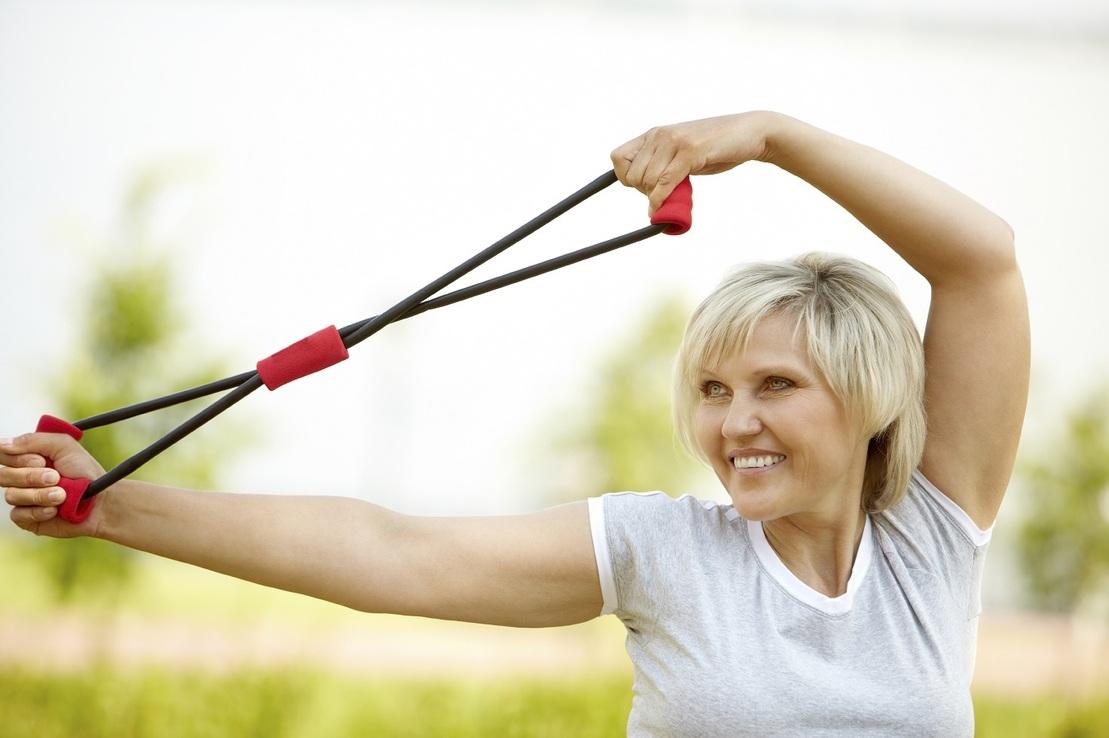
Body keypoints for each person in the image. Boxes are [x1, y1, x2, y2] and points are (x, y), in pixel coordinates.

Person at [2, 110, 1029, 736]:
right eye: (711, 391)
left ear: (868, 399)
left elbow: (979, 260)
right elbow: (388, 550)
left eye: (773, 386)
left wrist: (767, 138)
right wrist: (113, 510)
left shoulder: (930, 540)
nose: (733, 424)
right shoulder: (664, 552)